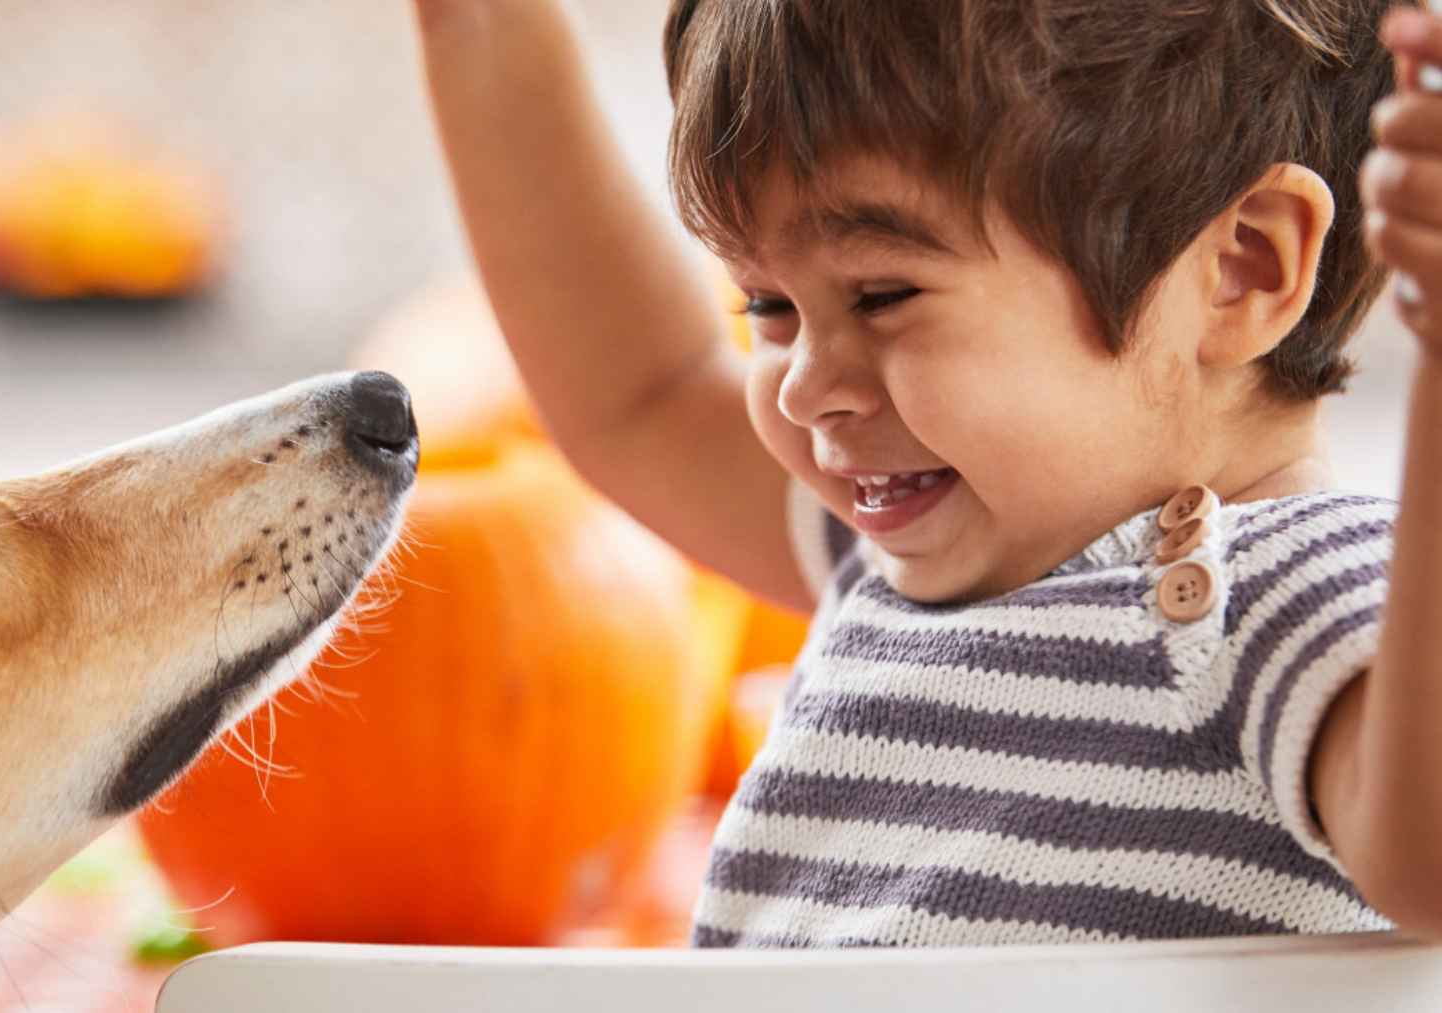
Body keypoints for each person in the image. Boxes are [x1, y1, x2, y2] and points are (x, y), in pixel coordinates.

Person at [409, 0, 1442, 947]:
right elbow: (640, 395)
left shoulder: (1286, 595)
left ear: (1239, 270)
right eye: (768, 304)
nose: (807, 386)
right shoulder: (906, 545)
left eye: (882, 293)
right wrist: (477, 27)